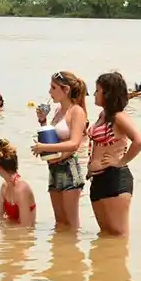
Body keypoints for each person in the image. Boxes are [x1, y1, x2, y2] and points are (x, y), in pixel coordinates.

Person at [87, 71, 141, 237]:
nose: (94, 93)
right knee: (105, 236)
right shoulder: (103, 115)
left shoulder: (119, 117)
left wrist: (120, 161)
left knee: (119, 237)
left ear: (107, 93)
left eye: (97, 90)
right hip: (97, 179)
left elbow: (139, 141)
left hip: (115, 178)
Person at [33, 71, 88, 230]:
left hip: (69, 168)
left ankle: (73, 253)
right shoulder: (58, 111)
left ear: (66, 90)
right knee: (60, 223)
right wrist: (43, 122)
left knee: (72, 225)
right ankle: (60, 254)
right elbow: (53, 139)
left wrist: (44, 147)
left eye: (53, 87)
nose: (50, 92)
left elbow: (74, 143)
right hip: (54, 167)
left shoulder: (76, 111)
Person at [0, 138, 37, 227]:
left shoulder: (22, 189)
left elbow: (25, 227)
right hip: (12, 235)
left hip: (24, 239)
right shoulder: (4, 186)